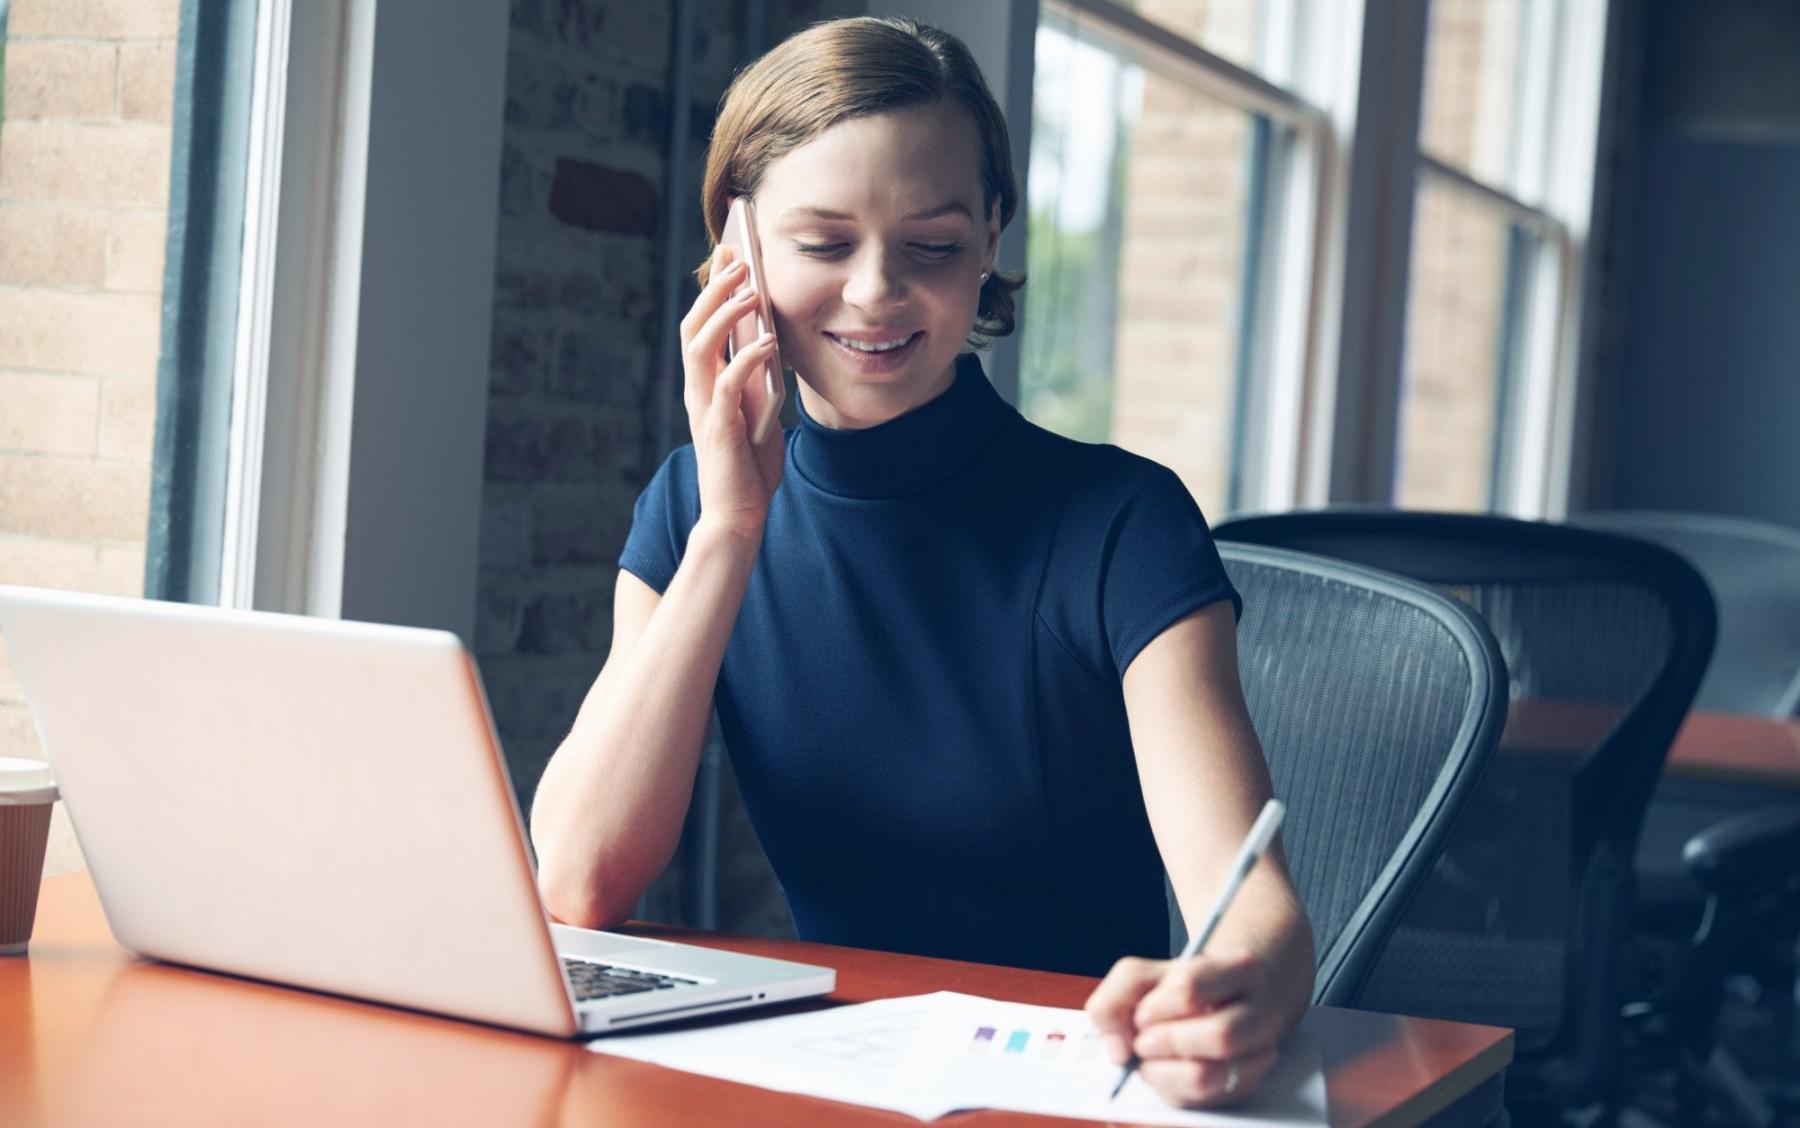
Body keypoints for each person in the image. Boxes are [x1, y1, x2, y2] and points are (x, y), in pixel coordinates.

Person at [528, 16, 1315, 1110]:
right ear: (736, 240)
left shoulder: (1122, 521)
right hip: (835, 1081)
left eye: (934, 246)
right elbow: (577, 880)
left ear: (992, 235)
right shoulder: (692, 512)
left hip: (1068, 1085)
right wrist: (727, 535)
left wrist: (1241, 984)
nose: (876, 294)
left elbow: (1254, 903)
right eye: (823, 243)